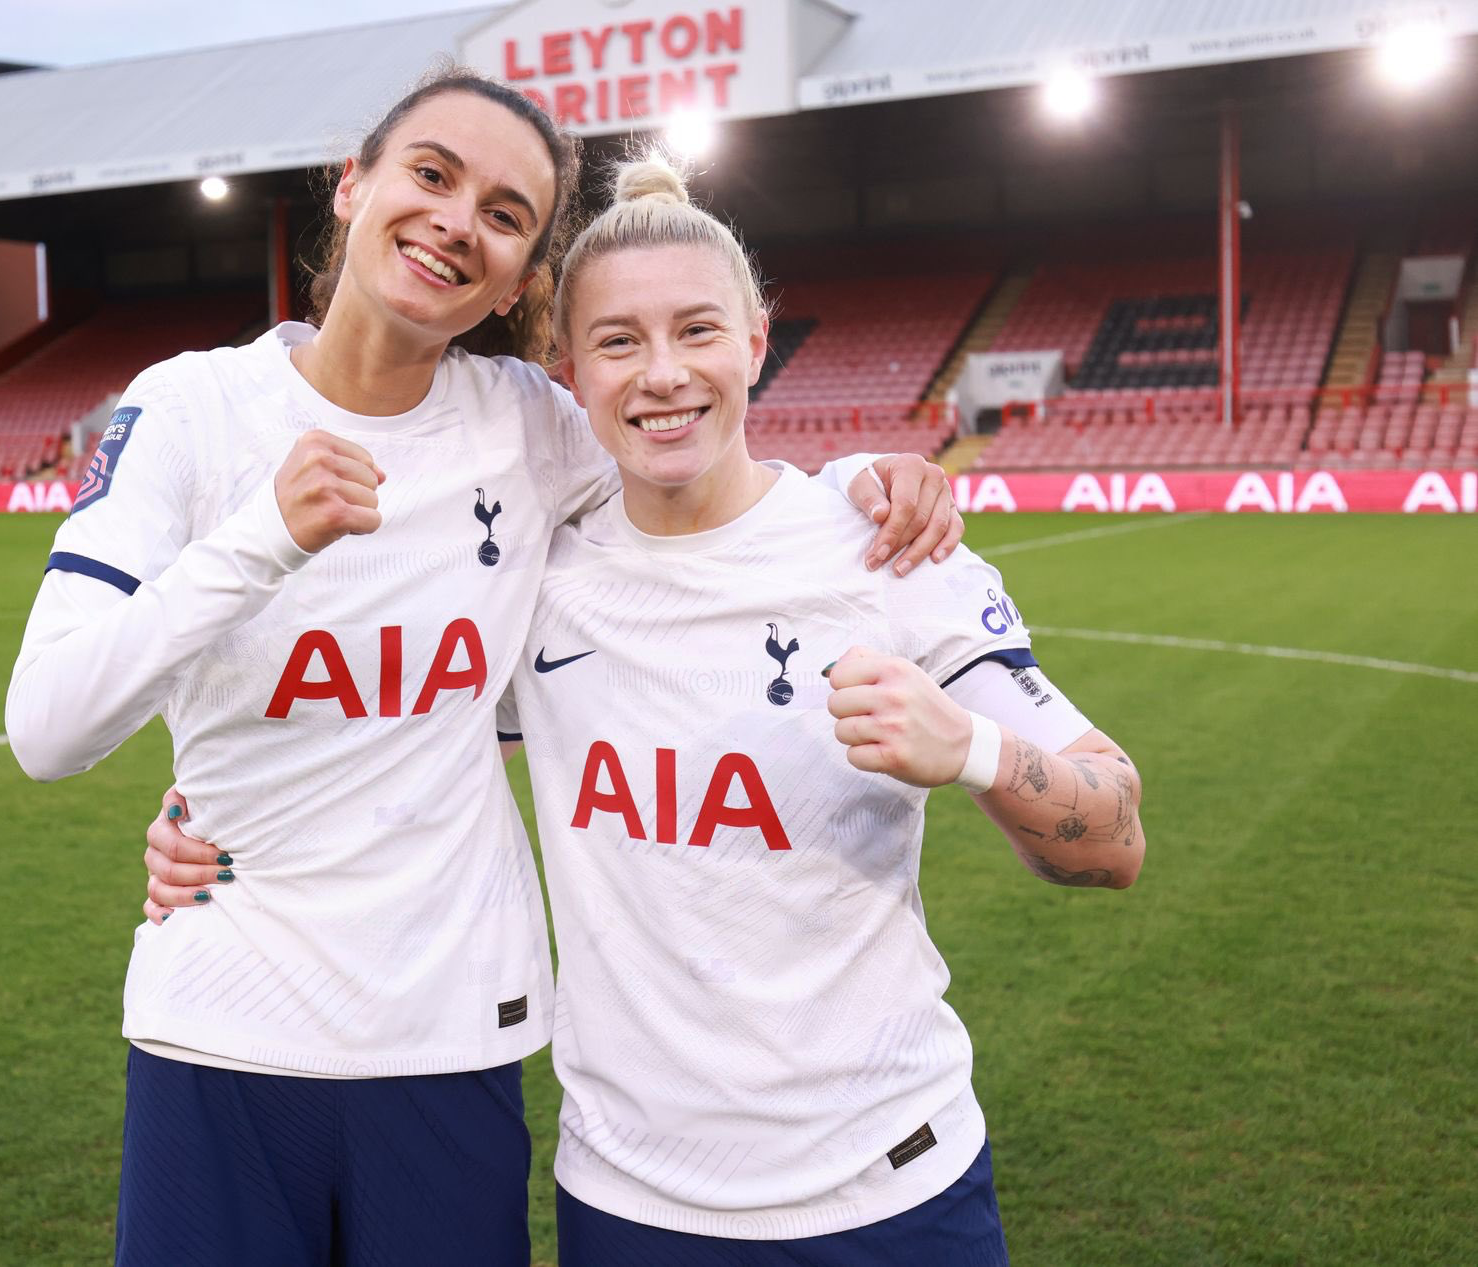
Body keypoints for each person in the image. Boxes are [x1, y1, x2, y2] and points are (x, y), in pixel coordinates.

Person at [6, 69, 962, 1267]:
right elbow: (47, 726)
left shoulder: (528, 422)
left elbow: (694, 455)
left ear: (522, 280)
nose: (459, 220)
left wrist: (861, 479)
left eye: (506, 214)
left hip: (449, 1036)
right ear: (352, 185)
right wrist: (261, 541)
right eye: (431, 174)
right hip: (221, 1023)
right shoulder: (192, 408)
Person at [145, 159, 1147, 1264]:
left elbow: (1112, 840)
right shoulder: (537, 587)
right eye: (620, 341)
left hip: (891, 1189)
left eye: (697, 331)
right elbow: (380, 743)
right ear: (570, 373)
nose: (663, 374)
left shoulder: (889, 556)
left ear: (757, 340)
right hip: (631, 1206)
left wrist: (974, 751)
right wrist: (205, 821)